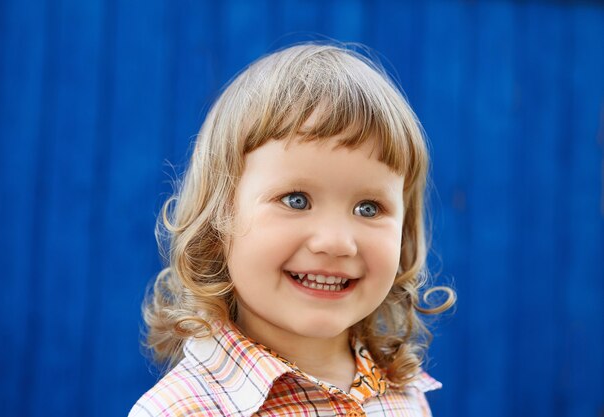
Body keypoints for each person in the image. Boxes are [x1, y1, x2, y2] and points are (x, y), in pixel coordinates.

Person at [129, 42, 456, 417]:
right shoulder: (182, 410)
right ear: (218, 218)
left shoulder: (405, 395)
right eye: (296, 200)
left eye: (368, 208)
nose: (336, 243)